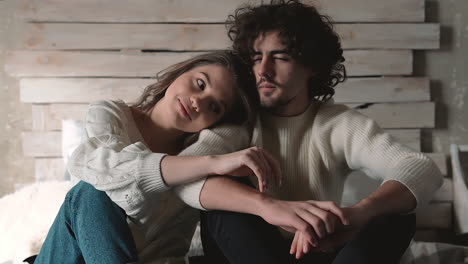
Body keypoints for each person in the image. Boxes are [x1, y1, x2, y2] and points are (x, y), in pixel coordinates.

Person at [192, 1, 444, 263]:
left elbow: (420, 167)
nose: (263, 70)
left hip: (318, 250)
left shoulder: (337, 124)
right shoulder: (238, 123)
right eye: (256, 58)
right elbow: (186, 176)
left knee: (396, 215)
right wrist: (269, 207)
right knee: (217, 201)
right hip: (250, 253)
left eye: (280, 57)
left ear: (312, 65)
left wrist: (359, 214)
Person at [33, 50, 281, 264]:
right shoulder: (109, 115)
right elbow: (118, 185)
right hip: (73, 256)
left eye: (214, 107)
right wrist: (212, 163)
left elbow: (238, 133)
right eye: (200, 84)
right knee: (91, 191)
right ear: (180, 73)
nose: (197, 102)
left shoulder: (207, 147)